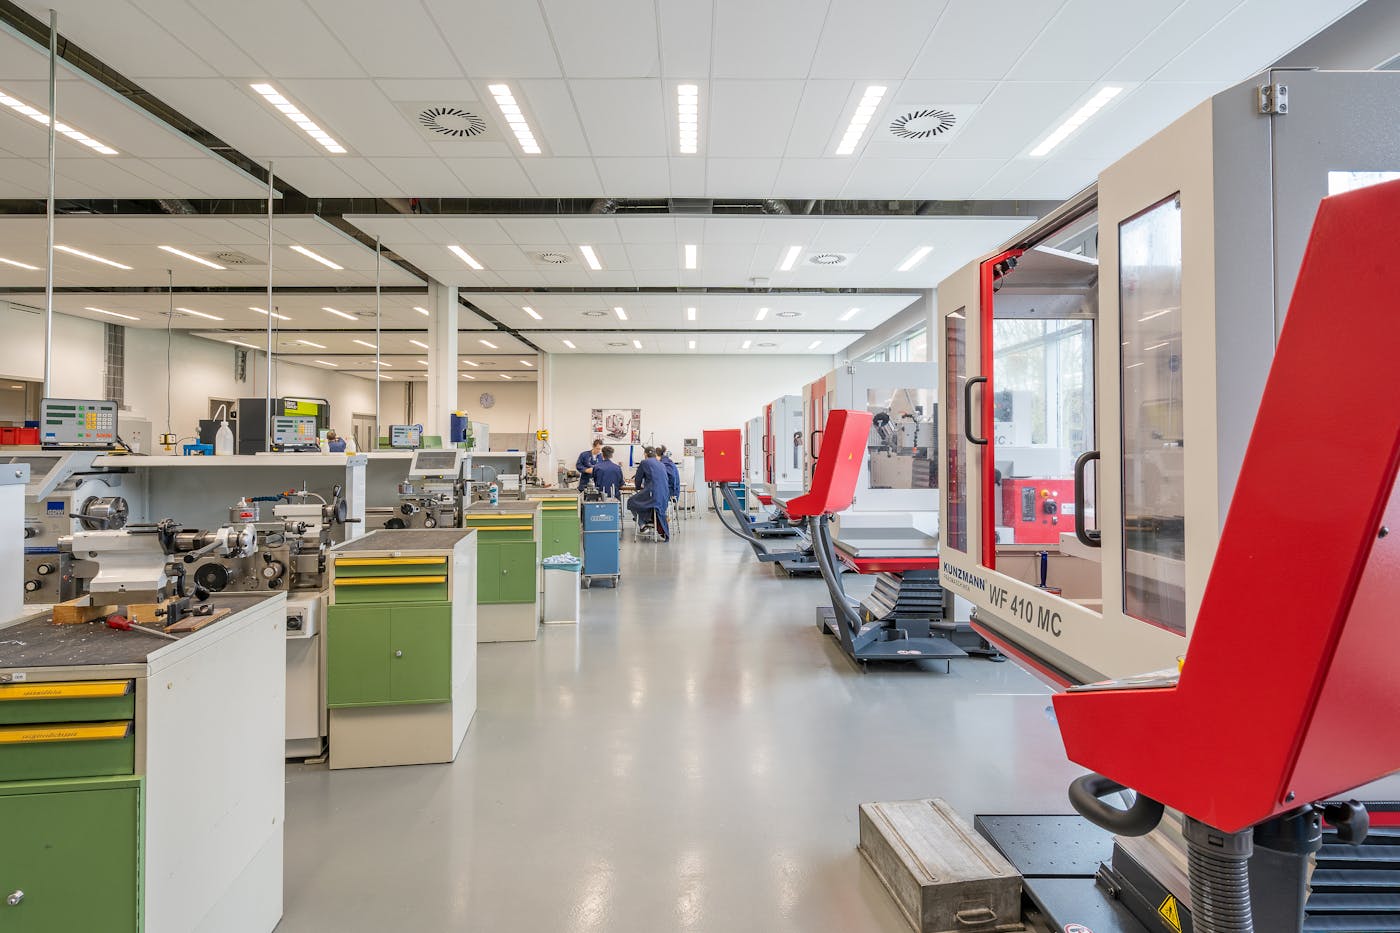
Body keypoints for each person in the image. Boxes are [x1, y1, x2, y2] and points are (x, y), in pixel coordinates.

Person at [626, 447, 670, 541]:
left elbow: (638, 479)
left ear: (645, 454)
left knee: (631, 501)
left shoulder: (644, 462)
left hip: (652, 494)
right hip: (663, 495)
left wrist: (638, 487)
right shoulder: (661, 464)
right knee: (642, 500)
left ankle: (642, 524)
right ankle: (646, 518)